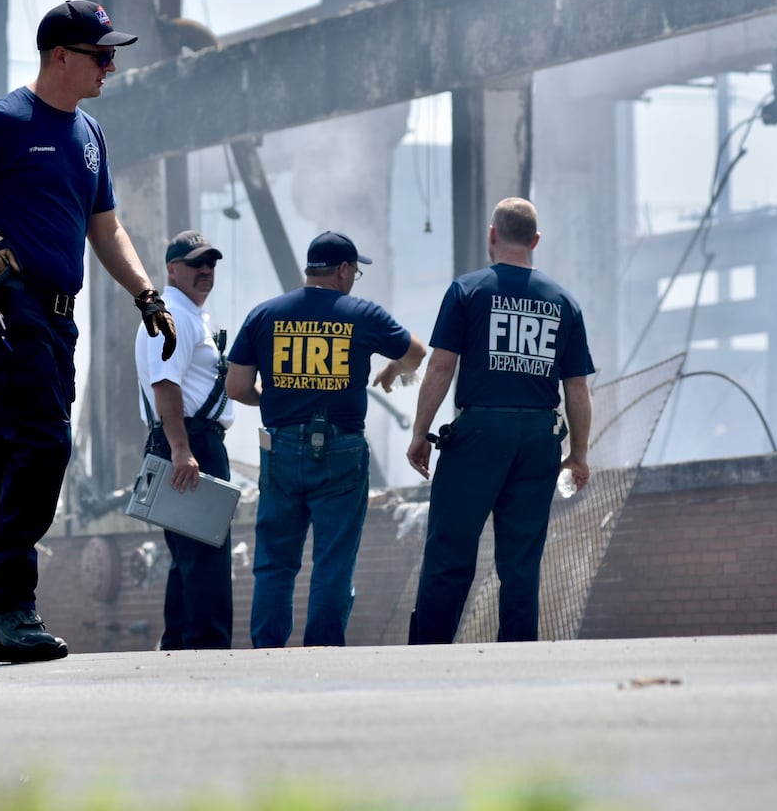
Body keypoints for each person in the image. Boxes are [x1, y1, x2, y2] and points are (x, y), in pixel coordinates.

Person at [0, 0, 178, 666]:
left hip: (56, 318)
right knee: (44, 446)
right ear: (61, 56)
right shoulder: (2, 121)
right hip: (2, 305)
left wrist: (145, 293)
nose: (110, 66)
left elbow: (104, 228)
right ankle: (8, 608)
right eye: (100, 55)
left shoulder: (89, 134)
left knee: (15, 458)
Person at [406, 197, 594, 644]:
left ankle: (428, 651)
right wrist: (579, 453)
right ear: (535, 241)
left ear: (492, 235)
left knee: (450, 551)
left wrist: (420, 432)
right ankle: (519, 653)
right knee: (521, 560)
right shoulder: (564, 301)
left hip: (478, 435)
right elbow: (577, 388)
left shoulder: (467, 290)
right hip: (538, 439)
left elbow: (439, 366)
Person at [226, 231, 425, 648]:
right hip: (342, 450)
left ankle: (266, 651)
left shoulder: (264, 315)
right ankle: (323, 651)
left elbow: (237, 386)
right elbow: (416, 353)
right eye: (354, 271)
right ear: (343, 270)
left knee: (275, 563)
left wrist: (281, 400)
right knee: (333, 561)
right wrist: (391, 370)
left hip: (280, 448)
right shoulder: (361, 313)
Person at [134, 229, 236, 650]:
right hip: (191, 443)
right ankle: (205, 648)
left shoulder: (185, 315)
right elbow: (165, 386)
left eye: (210, 263)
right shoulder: (172, 316)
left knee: (190, 558)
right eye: (196, 263)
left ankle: (181, 643)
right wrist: (181, 450)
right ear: (172, 270)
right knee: (205, 558)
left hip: (187, 441)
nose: (206, 271)